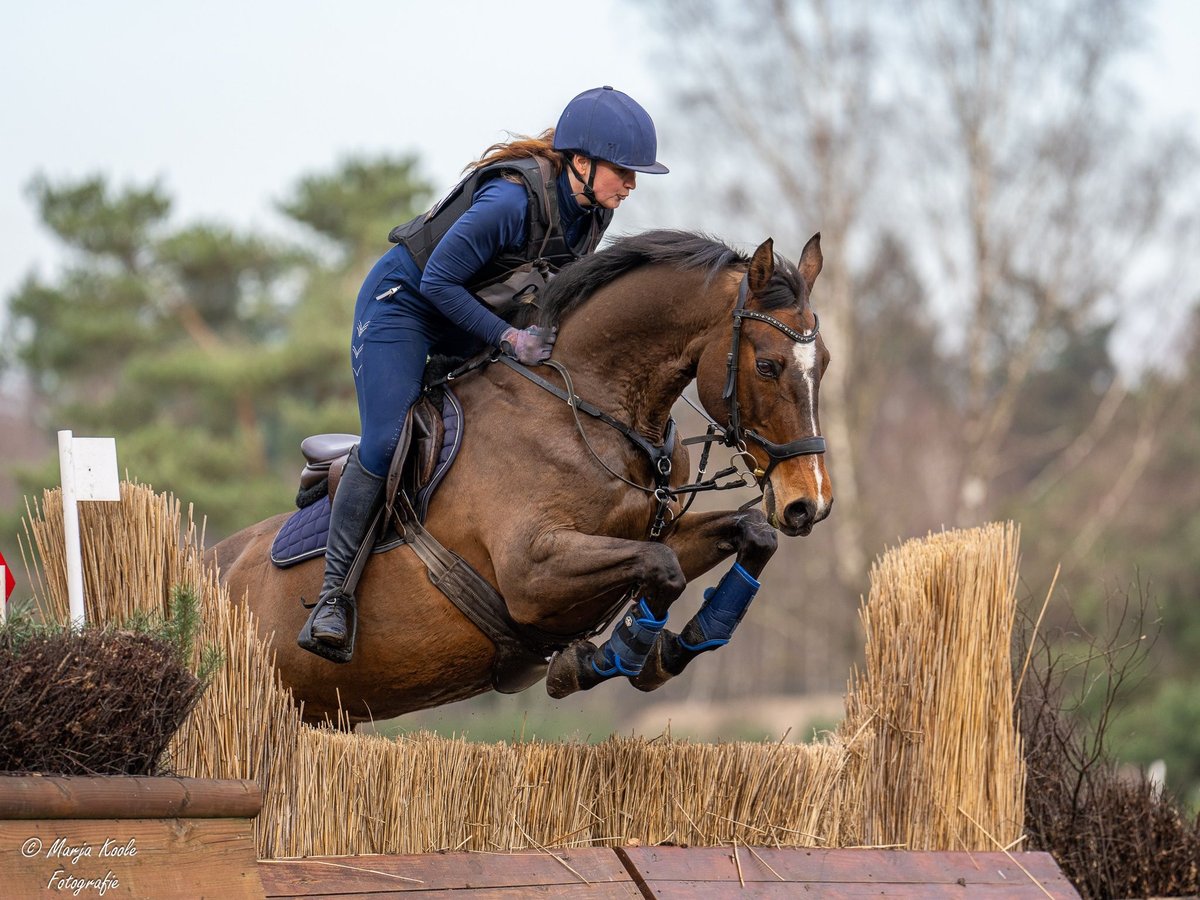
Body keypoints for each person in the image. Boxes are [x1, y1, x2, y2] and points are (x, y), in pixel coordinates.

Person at [298, 86, 669, 663]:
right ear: (581, 161)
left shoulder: (590, 216)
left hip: (469, 317)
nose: (631, 185)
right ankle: (332, 598)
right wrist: (506, 337)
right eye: (624, 170)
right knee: (387, 438)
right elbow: (437, 283)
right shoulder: (511, 201)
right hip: (404, 308)